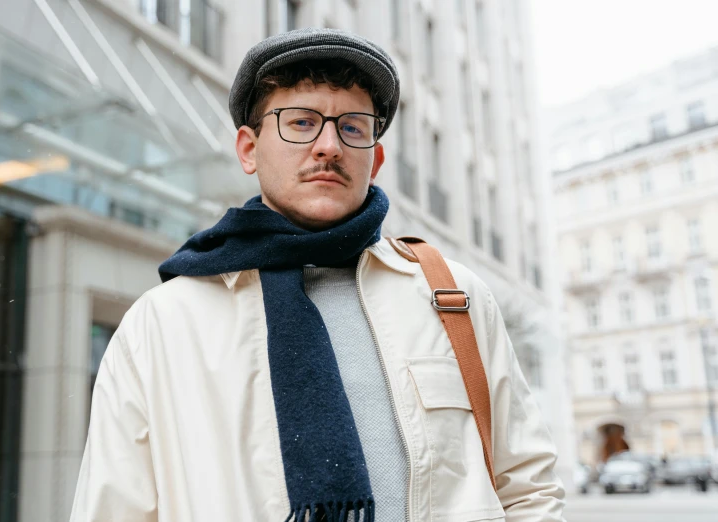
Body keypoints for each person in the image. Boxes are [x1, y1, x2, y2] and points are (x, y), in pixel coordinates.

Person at [70, 28, 565, 522]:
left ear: (376, 159)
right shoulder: (161, 325)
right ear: (248, 149)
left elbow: (528, 489)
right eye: (301, 122)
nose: (329, 146)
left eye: (352, 127)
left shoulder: (451, 295)